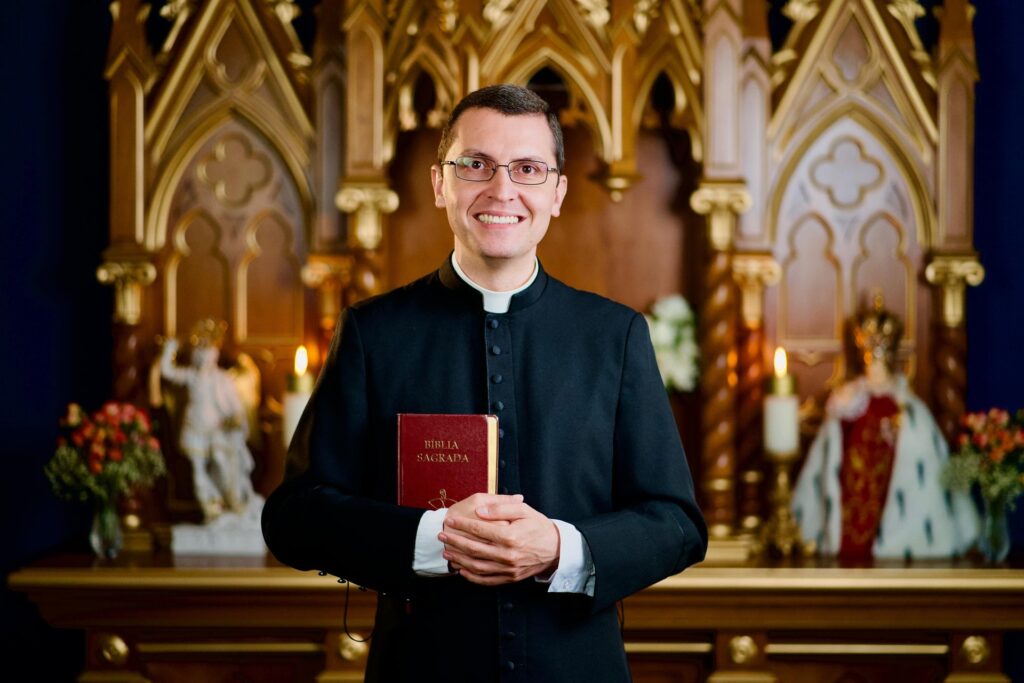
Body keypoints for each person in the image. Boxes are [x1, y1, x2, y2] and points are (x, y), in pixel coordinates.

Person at [262, 84, 707, 682]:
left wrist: (559, 547)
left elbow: (677, 524)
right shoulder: (375, 333)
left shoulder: (614, 336)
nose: (502, 190)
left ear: (556, 193)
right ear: (440, 183)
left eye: (528, 169)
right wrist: (432, 537)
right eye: (476, 165)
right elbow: (293, 517)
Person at [791, 297, 978, 560]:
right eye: (870, 359)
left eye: (879, 359)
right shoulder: (847, 404)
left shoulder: (912, 412)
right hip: (850, 506)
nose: (873, 367)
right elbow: (828, 460)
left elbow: (926, 464)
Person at [160, 319, 259, 522]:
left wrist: (235, 421)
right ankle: (210, 505)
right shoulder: (191, 376)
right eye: (201, 355)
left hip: (217, 431)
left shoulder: (221, 379)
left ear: (214, 356)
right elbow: (167, 371)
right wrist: (169, 349)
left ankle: (230, 500)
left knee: (222, 464)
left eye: (208, 356)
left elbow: (235, 408)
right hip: (194, 429)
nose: (204, 360)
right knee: (197, 469)